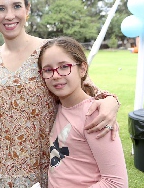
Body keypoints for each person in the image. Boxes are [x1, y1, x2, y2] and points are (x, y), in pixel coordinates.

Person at [0, 0, 121, 188]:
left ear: (27, 9)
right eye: (1, 8)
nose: (9, 15)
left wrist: (111, 101)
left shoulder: (48, 51)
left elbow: (87, 88)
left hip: (45, 172)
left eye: (17, 6)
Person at [38, 36, 128, 188]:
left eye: (64, 67)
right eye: (48, 70)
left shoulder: (95, 114)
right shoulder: (59, 107)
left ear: (82, 69)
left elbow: (116, 183)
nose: (56, 75)